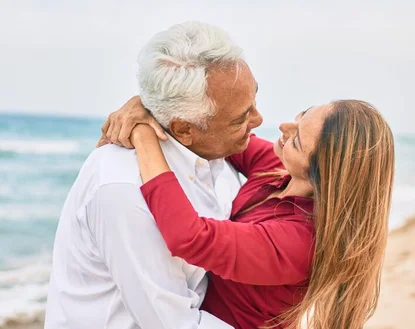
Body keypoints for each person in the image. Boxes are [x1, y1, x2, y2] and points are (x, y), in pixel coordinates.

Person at [101, 98, 395, 328]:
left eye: (297, 139)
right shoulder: (278, 169)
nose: (284, 127)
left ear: (322, 174)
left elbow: (189, 237)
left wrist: (144, 137)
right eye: (301, 116)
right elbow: (222, 137)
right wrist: (148, 105)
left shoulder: (298, 242)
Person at [44, 21, 262, 329]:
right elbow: (174, 323)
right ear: (183, 129)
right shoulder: (123, 189)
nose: (259, 118)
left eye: (255, 97)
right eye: (241, 117)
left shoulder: (213, 147)